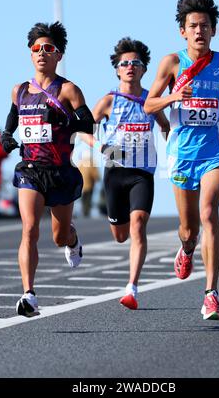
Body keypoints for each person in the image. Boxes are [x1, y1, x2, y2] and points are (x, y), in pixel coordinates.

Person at [144, 0, 219, 320]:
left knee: (209, 213)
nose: (199, 31)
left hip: (215, 150)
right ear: (183, 31)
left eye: (205, 26)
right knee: (189, 227)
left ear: (214, 31)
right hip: (182, 153)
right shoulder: (172, 64)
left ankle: (211, 294)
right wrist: (174, 96)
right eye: (193, 26)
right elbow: (148, 105)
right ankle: (187, 247)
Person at [0, 21, 95, 317]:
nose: (42, 53)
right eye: (36, 48)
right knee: (29, 228)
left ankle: (72, 238)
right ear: (30, 54)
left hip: (59, 172)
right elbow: (13, 118)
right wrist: (6, 135)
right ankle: (29, 294)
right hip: (29, 169)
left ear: (59, 54)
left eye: (48, 48)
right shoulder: (20, 90)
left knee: (58, 236)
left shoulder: (68, 89)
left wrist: (66, 121)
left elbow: (88, 122)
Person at [83, 37, 170, 310]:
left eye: (136, 63)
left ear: (144, 70)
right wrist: (102, 146)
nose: (130, 67)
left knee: (138, 226)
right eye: (125, 63)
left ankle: (132, 287)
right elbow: (84, 131)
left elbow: (166, 127)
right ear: (117, 69)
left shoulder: (151, 101)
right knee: (121, 235)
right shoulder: (109, 101)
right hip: (115, 173)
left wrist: (173, 155)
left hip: (142, 173)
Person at [78, 151, 100, 217]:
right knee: (88, 198)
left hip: (81, 184)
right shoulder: (91, 163)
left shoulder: (80, 163)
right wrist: (97, 179)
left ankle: (84, 211)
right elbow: (94, 173)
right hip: (89, 184)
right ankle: (86, 212)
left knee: (83, 198)